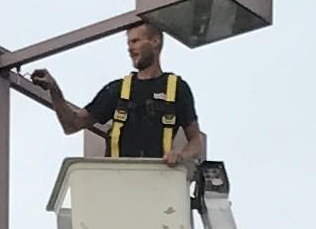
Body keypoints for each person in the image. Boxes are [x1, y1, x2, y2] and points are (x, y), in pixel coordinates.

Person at [33, 15, 203, 163]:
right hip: (118, 180)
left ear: (155, 42)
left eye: (135, 41)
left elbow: (196, 141)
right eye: (129, 43)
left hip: (158, 179)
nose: (130, 49)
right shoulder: (118, 90)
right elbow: (72, 124)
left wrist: (180, 156)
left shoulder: (176, 88)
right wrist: (54, 90)